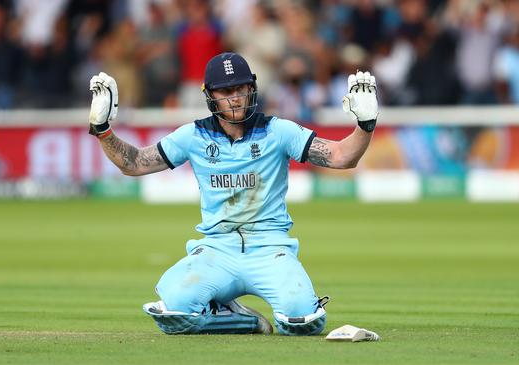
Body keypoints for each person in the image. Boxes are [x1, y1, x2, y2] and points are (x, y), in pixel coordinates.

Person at [87, 52, 378, 336]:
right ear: (210, 95)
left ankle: (243, 311)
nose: (235, 97)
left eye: (241, 88)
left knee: (302, 321)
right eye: (225, 90)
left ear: (252, 88)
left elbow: (342, 157)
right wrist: (102, 129)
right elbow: (134, 163)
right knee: (172, 312)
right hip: (217, 249)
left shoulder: (278, 131)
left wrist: (365, 125)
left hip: (270, 249)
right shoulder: (193, 135)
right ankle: (246, 321)